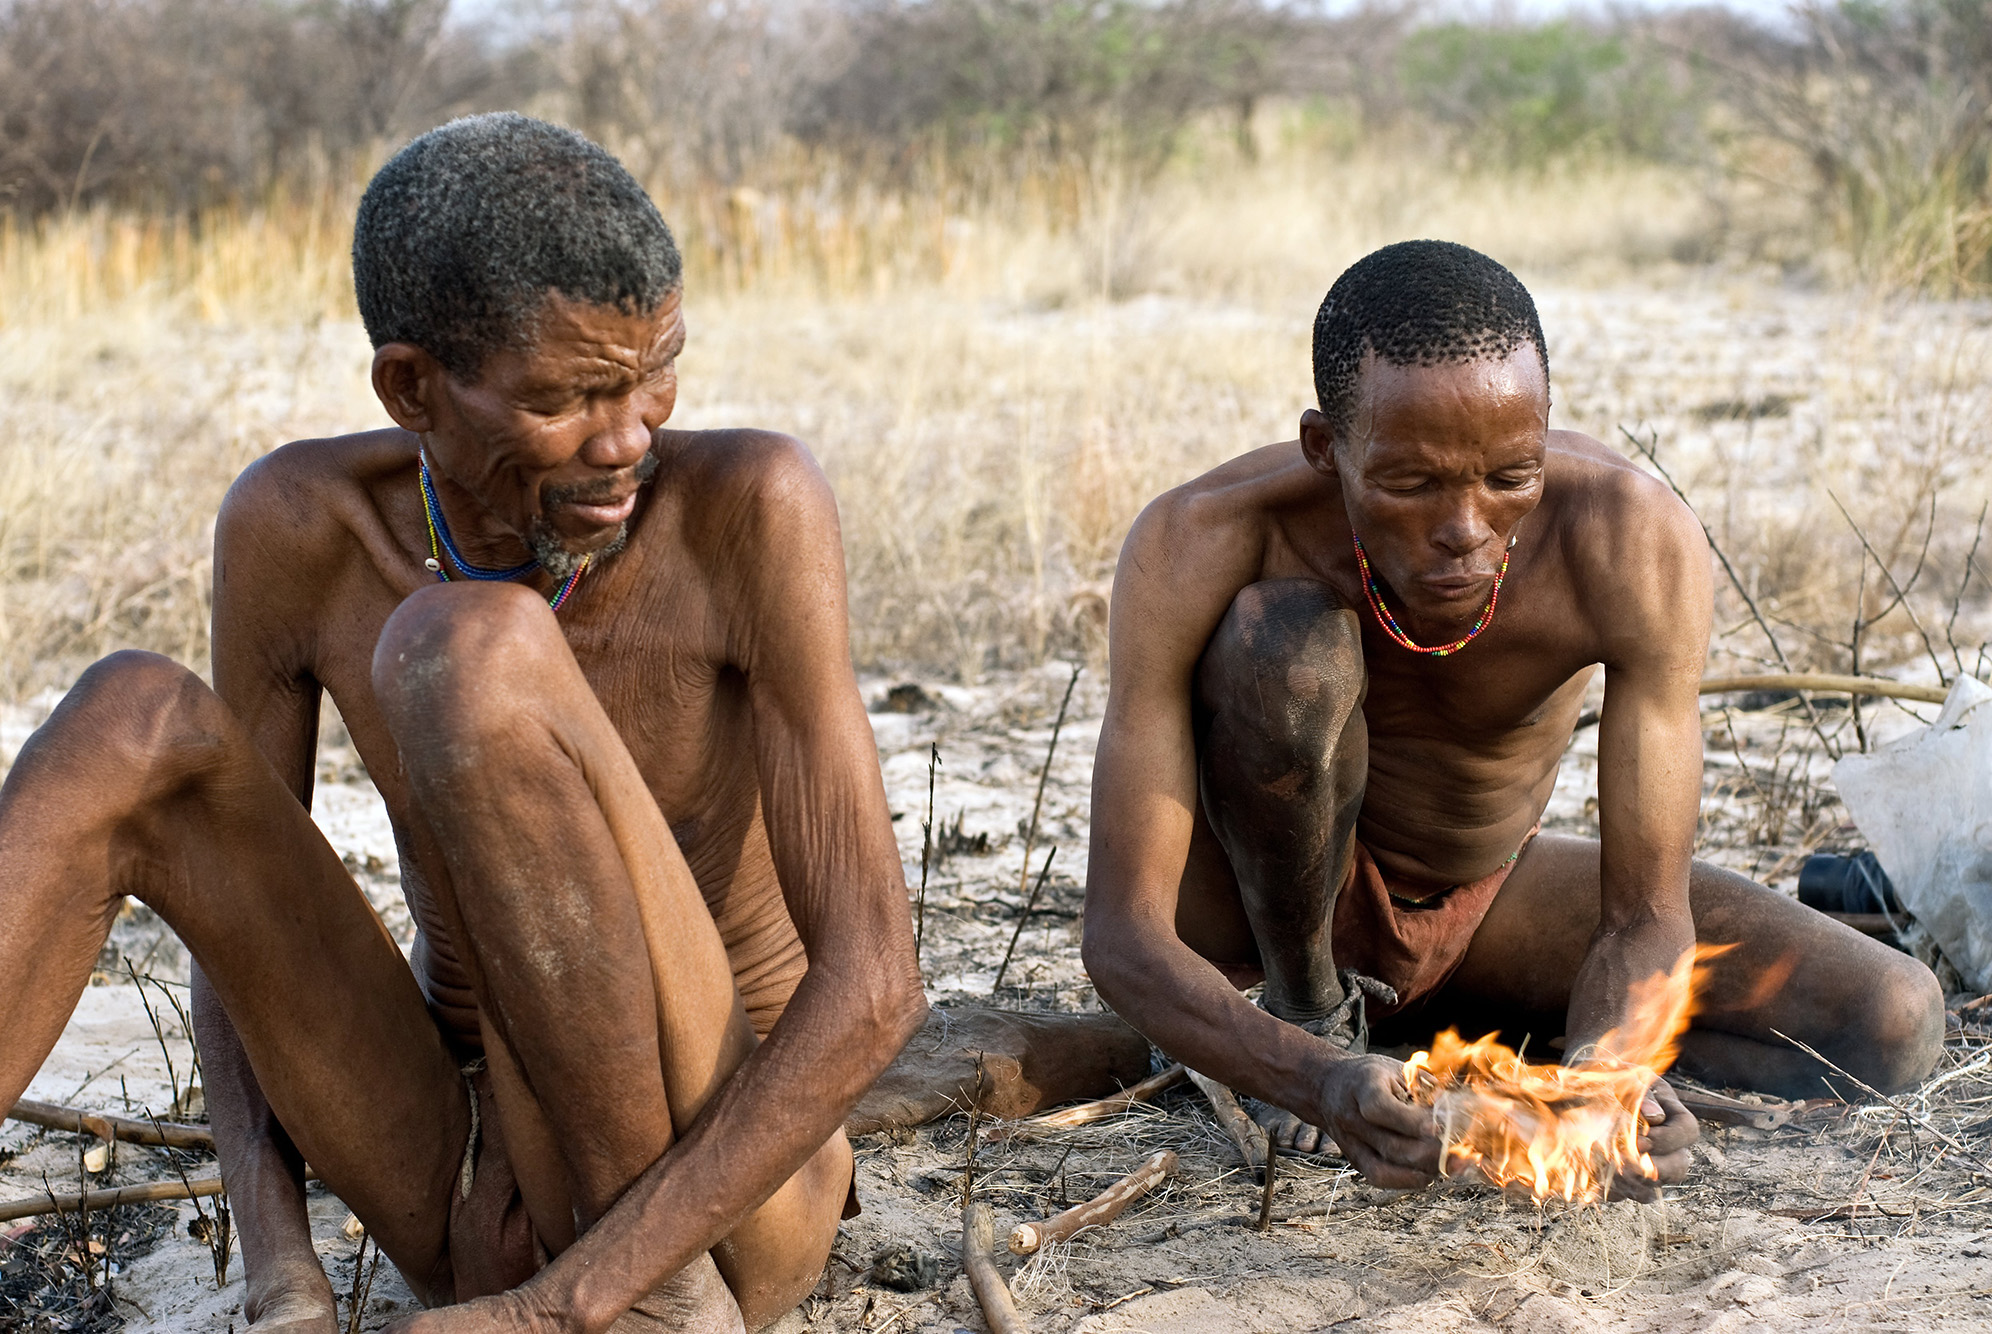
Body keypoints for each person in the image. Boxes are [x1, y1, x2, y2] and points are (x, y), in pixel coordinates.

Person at [0, 113, 926, 1333]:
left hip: (717, 1199)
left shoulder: (750, 509)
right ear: (411, 388)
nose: (628, 437)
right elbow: (237, 941)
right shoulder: (300, 527)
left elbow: (876, 985)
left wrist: (575, 1299)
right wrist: (282, 1273)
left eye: (654, 371)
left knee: (468, 649)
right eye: (567, 398)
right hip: (461, 1176)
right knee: (128, 718)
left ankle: (656, 1310)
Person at [1080, 239, 1944, 1191]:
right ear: (1326, 450)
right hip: (1252, 923)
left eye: (1509, 478)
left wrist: (1609, 1076)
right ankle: (1306, 1011)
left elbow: (1646, 913)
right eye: (1411, 485)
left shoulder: (1625, 538)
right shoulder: (1201, 537)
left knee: (1894, 1018)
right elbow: (1124, 937)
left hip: (1478, 907)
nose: (1465, 530)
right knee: (1287, 653)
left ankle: (1468, 1048)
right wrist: (1311, 1078)